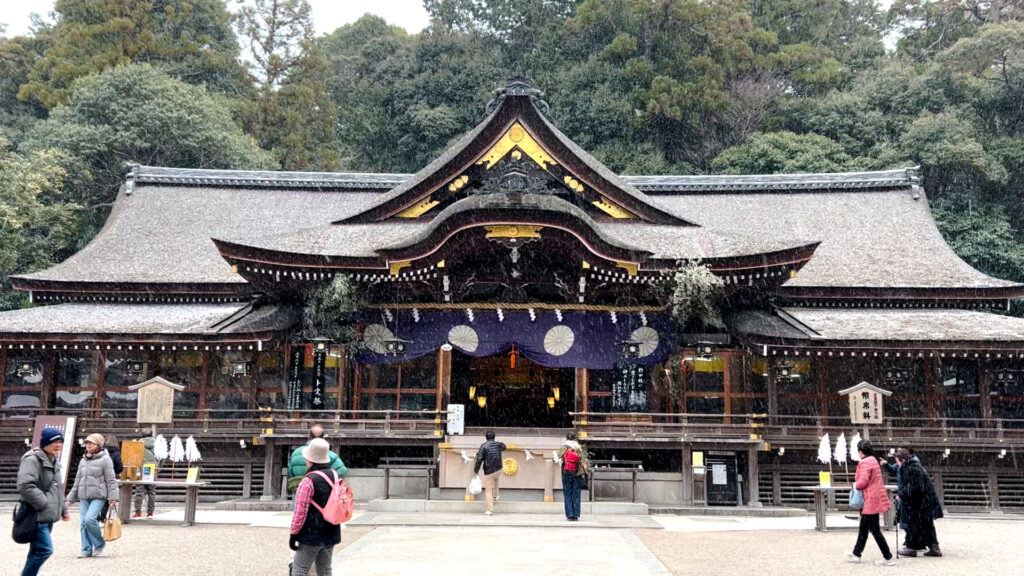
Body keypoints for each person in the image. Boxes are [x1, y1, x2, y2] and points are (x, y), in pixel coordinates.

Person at [17, 427, 71, 576]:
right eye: (54, 441)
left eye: (60, 441)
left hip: (47, 516)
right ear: (45, 442)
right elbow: (25, 485)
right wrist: (44, 503)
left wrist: (63, 509)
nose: (58, 445)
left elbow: (57, 488)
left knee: (36, 550)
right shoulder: (33, 459)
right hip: (37, 514)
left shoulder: (53, 461)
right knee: (44, 550)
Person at [289, 438, 341, 576]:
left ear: (309, 460)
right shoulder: (334, 476)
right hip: (331, 529)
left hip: (312, 532)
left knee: (299, 569)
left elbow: (300, 511)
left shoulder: (308, 480)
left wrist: (294, 534)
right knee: (325, 570)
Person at [66, 433, 119, 558]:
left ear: (99, 445)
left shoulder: (105, 459)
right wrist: (70, 498)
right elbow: (77, 480)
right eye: (87, 443)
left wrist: (113, 497)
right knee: (83, 523)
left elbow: (111, 479)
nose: (88, 445)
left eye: (91, 443)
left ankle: (99, 543)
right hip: (84, 495)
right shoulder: (83, 460)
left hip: (99, 495)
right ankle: (86, 549)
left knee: (90, 519)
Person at [844, 440, 895, 566]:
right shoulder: (873, 460)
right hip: (874, 498)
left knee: (875, 530)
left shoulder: (865, 462)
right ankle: (856, 553)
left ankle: (887, 557)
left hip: (870, 500)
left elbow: (862, 482)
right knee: (864, 528)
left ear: (860, 452)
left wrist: (854, 484)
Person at [896, 448, 943, 557]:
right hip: (924, 501)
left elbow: (915, 486)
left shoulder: (911, 468)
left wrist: (902, 495)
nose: (897, 464)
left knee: (914, 524)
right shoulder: (915, 466)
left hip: (920, 502)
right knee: (926, 525)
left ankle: (912, 547)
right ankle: (933, 547)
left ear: (902, 460)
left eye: (897, 462)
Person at [288, 425, 348, 492]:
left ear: (309, 437)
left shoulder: (296, 453)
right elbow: (342, 471)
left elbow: (290, 473)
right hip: (322, 495)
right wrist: (327, 483)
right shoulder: (331, 455)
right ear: (324, 438)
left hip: (300, 492)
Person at [558, 431, 589, 521]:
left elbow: (558, 457)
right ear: (575, 438)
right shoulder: (579, 448)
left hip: (566, 472)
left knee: (567, 492)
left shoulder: (563, 448)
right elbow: (583, 460)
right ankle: (576, 514)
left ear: (567, 438)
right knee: (576, 492)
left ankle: (569, 514)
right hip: (577, 473)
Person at [473, 430, 506, 516]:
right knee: (496, 480)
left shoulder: (483, 446)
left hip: (489, 470)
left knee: (488, 490)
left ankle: (489, 510)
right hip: (499, 468)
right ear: (494, 437)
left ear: (486, 437)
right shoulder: (498, 444)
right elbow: (504, 447)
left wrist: (476, 471)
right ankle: (496, 495)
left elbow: (479, 459)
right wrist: (499, 444)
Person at [133, 433, 158, 518]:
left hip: (141, 467)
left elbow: (135, 457)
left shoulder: (138, 444)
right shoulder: (157, 443)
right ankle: (150, 513)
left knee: (139, 491)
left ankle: (138, 513)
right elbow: (161, 456)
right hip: (153, 467)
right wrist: (158, 466)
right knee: (151, 491)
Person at [100, 435, 123, 521]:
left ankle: (97, 516)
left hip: (100, 477)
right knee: (109, 499)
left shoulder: (100, 452)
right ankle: (102, 517)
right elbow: (119, 468)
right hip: (112, 477)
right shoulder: (116, 454)